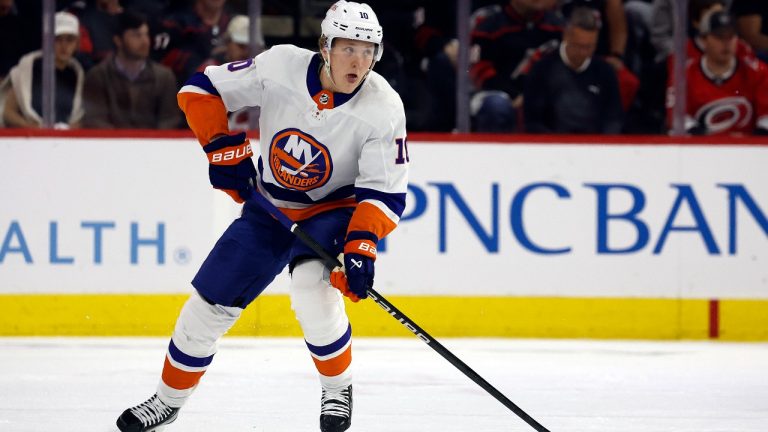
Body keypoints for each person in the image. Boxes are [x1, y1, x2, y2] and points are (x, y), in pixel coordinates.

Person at [115, 1, 408, 432]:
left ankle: (336, 388)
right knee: (207, 304)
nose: (359, 61)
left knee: (313, 288)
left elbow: (383, 192)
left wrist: (361, 246)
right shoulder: (280, 66)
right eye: (349, 48)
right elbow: (201, 89)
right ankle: (167, 400)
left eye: (368, 51)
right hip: (269, 208)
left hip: (331, 211)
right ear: (325, 46)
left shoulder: (383, 107)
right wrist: (220, 146)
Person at [523, 6, 624, 133]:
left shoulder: (605, 72)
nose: (584, 52)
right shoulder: (542, 69)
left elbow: (613, 118)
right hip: (552, 145)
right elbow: (533, 121)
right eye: (579, 46)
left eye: (590, 47)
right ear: (566, 36)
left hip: (594, 146)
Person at [669, 10, 768, 135]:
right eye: (719, 37)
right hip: (700, 149)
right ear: (704, 40)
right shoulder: (683, 75)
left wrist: (748, 141)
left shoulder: (758, 72)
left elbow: (766, 119)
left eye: (731, 37)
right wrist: (710, 142)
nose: (726, 43)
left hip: (746, 149)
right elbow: (678, 118)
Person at [469, 0, 563, 132]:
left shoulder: (557, 26)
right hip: (496, 93)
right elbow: (478, 69)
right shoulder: (488, 23)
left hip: (540, 96)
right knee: (496, 106)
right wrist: (514, 95)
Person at [82, 10, 180, 129]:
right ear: (118, 40)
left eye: (146, 34)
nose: (145, 41)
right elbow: (95, 120)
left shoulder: (164, 77)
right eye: (136, 35)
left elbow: (170, 120)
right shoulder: (99, 76)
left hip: (154, 145)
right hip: (111, 145)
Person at [2, 11, 84, 129]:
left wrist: (70, 128)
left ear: (77, 43)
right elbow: (8, 112)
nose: (64, 46)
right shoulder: (28, 69)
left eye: (70, 40)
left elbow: (80, 117)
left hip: (66, 142)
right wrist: (34, 129)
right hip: (29, 140)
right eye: (58, 39)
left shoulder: (77, 74)